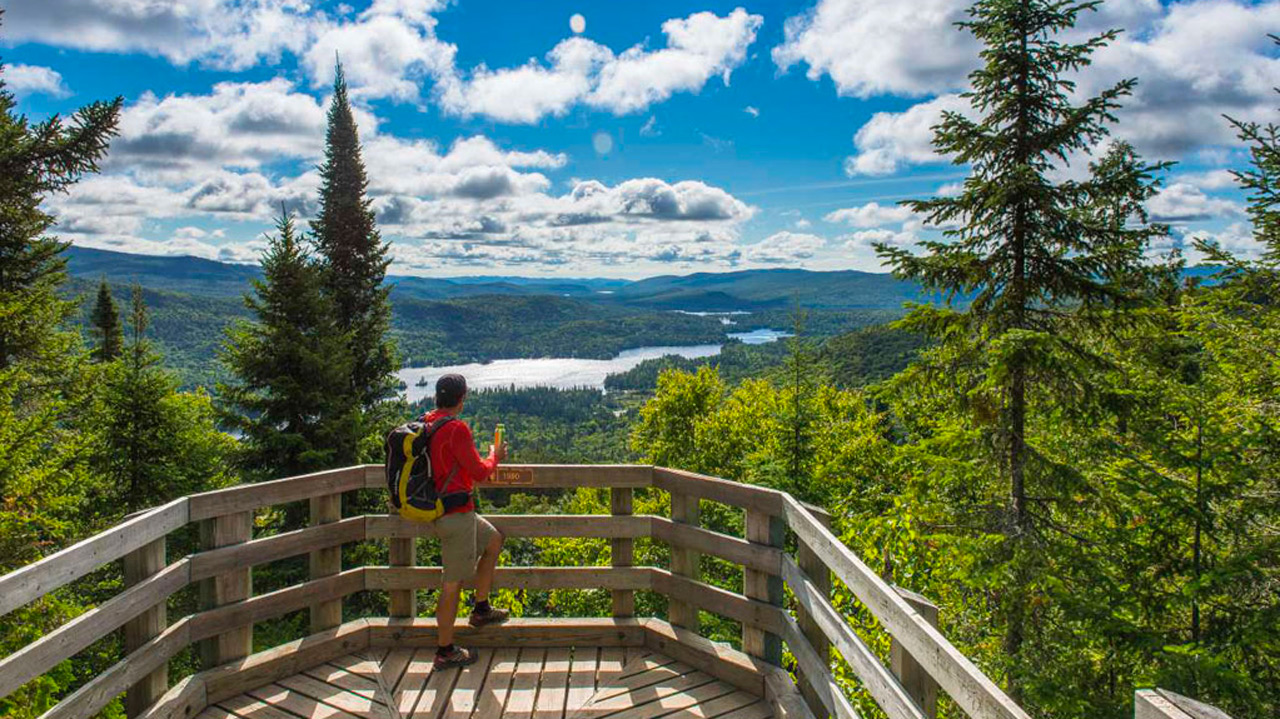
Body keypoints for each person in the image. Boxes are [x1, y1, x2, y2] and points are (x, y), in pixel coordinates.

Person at [421, 373, 510, 669]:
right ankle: (445, 651)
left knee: (493, 540)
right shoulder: (456, 429)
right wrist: (494, 456)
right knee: (452, 584)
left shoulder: (428, 422)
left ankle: (481, 608)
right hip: (455, 515)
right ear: (461, 398)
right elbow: (479, 472)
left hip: (442, 510)